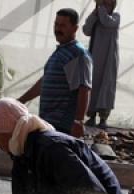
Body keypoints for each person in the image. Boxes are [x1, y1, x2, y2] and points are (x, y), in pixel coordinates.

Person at [18, 8, 92, 138]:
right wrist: (21, 101)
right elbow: (44, 83)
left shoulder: (76, 54)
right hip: (49, 121)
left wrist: (79, 121)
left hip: (62, 124)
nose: (58, 29)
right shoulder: (61, 51)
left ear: (75, 29)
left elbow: (84, 89)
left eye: (63, 25)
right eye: (56, 24)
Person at [82, 0, 120, 129]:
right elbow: (86, 30)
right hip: (95, 58)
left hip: (109, 59)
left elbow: (106, 22)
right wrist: (94, 13)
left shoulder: (115, 17)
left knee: (106, 87)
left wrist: (100, 8)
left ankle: (103, 118)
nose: (105, 6)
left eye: (108, 4)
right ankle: (91, 116)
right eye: (104, 3)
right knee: (93, 85)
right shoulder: (97, 18)